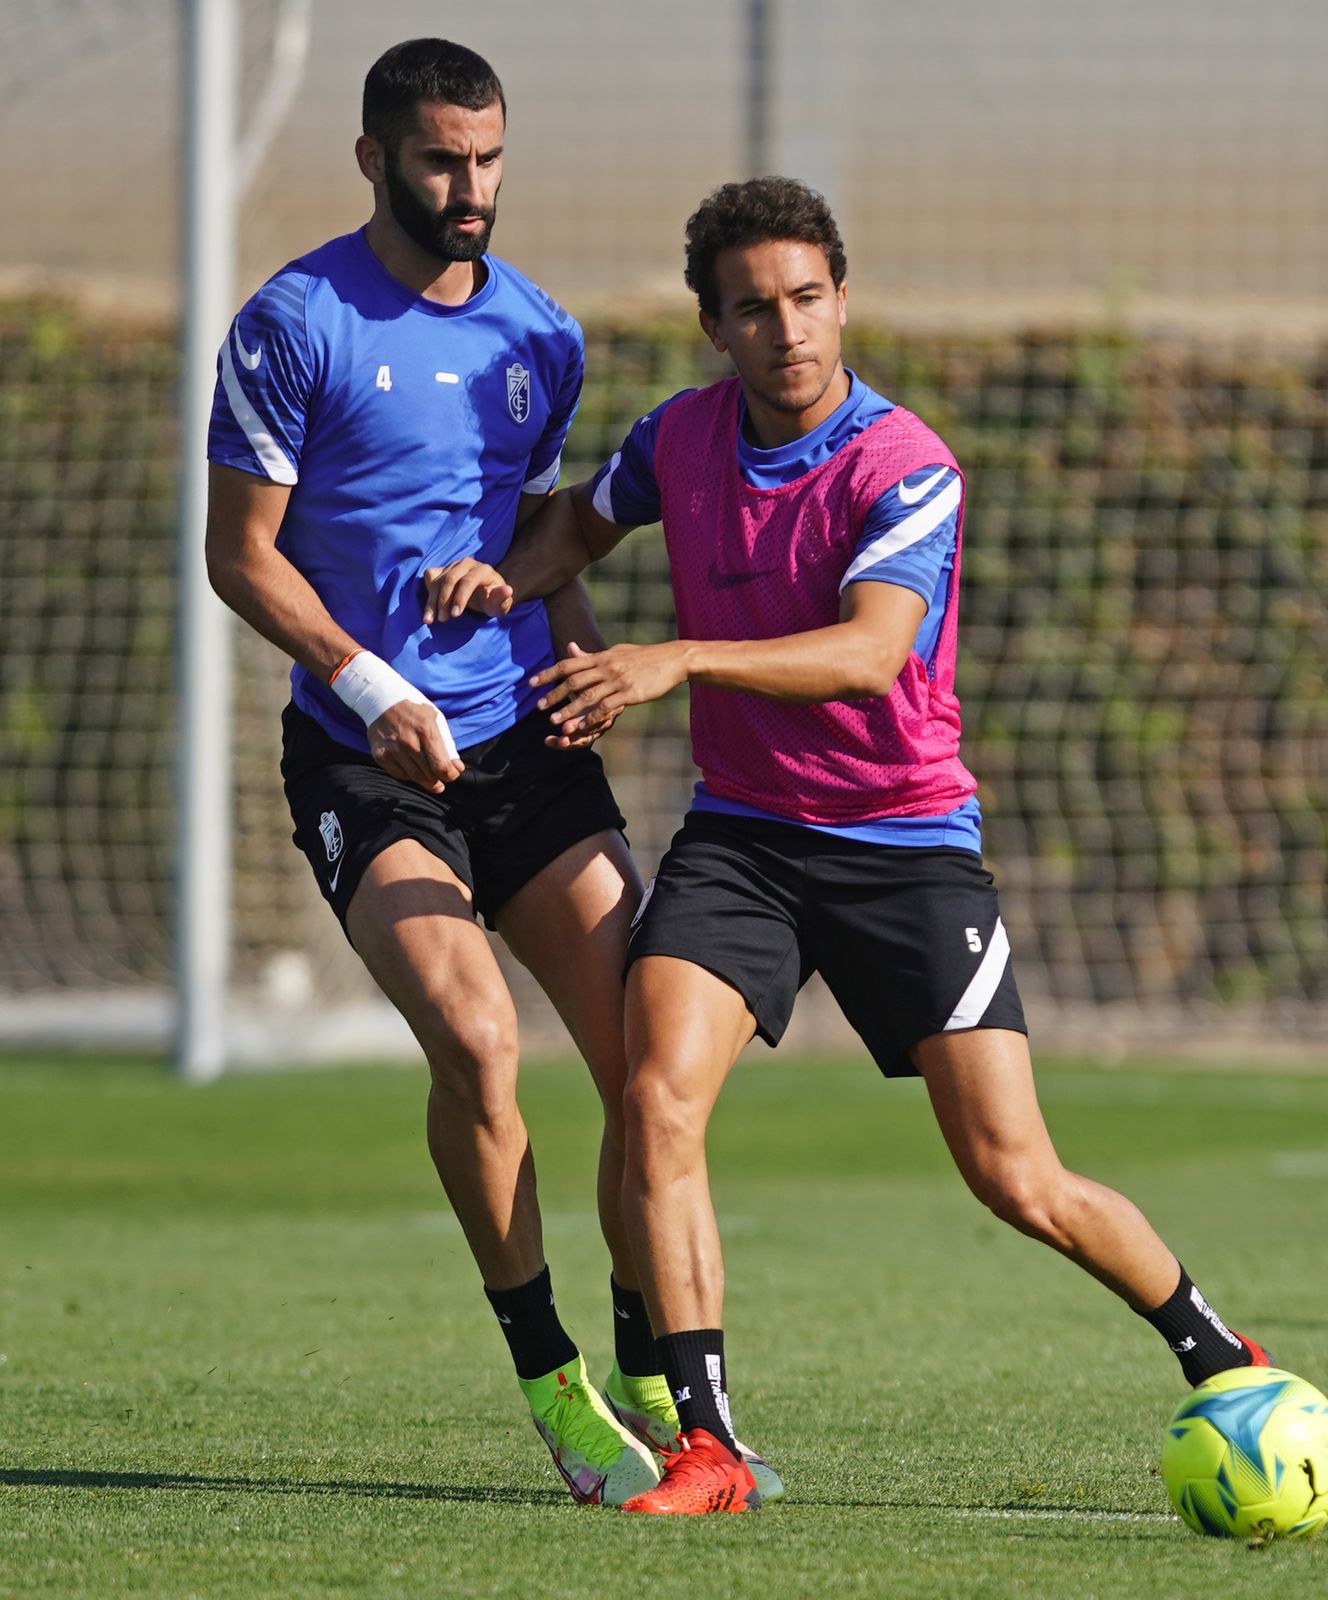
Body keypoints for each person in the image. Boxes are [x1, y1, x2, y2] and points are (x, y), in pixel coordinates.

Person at [425, 176, 1269, 1516]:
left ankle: (1221, 1354)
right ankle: (704, 1446)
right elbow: (581, 523)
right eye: (753, 308)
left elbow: (874, 651)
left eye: (808, 298)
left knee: (1014, 1174)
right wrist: (506, 582)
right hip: (746, 844)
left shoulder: (904, 464)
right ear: (714, 326)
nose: (787, 329)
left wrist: (673, 658)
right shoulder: (679, 440)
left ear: (841, 298)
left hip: (906, 846)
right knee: (653, 1097)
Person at [204, 37, 780, 1509]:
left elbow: (545, 546)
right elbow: (239, 556)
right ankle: (560, 1387)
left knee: (648, 1067)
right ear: (377, 158)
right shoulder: (295, 322)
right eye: (445, 162)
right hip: (366, 756)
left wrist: (579, 662)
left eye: (492, 160)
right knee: (475, 1040)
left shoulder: (541, 337)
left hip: (521, 747)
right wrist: (369, 681)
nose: (473, 190)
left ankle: (657, 1357)